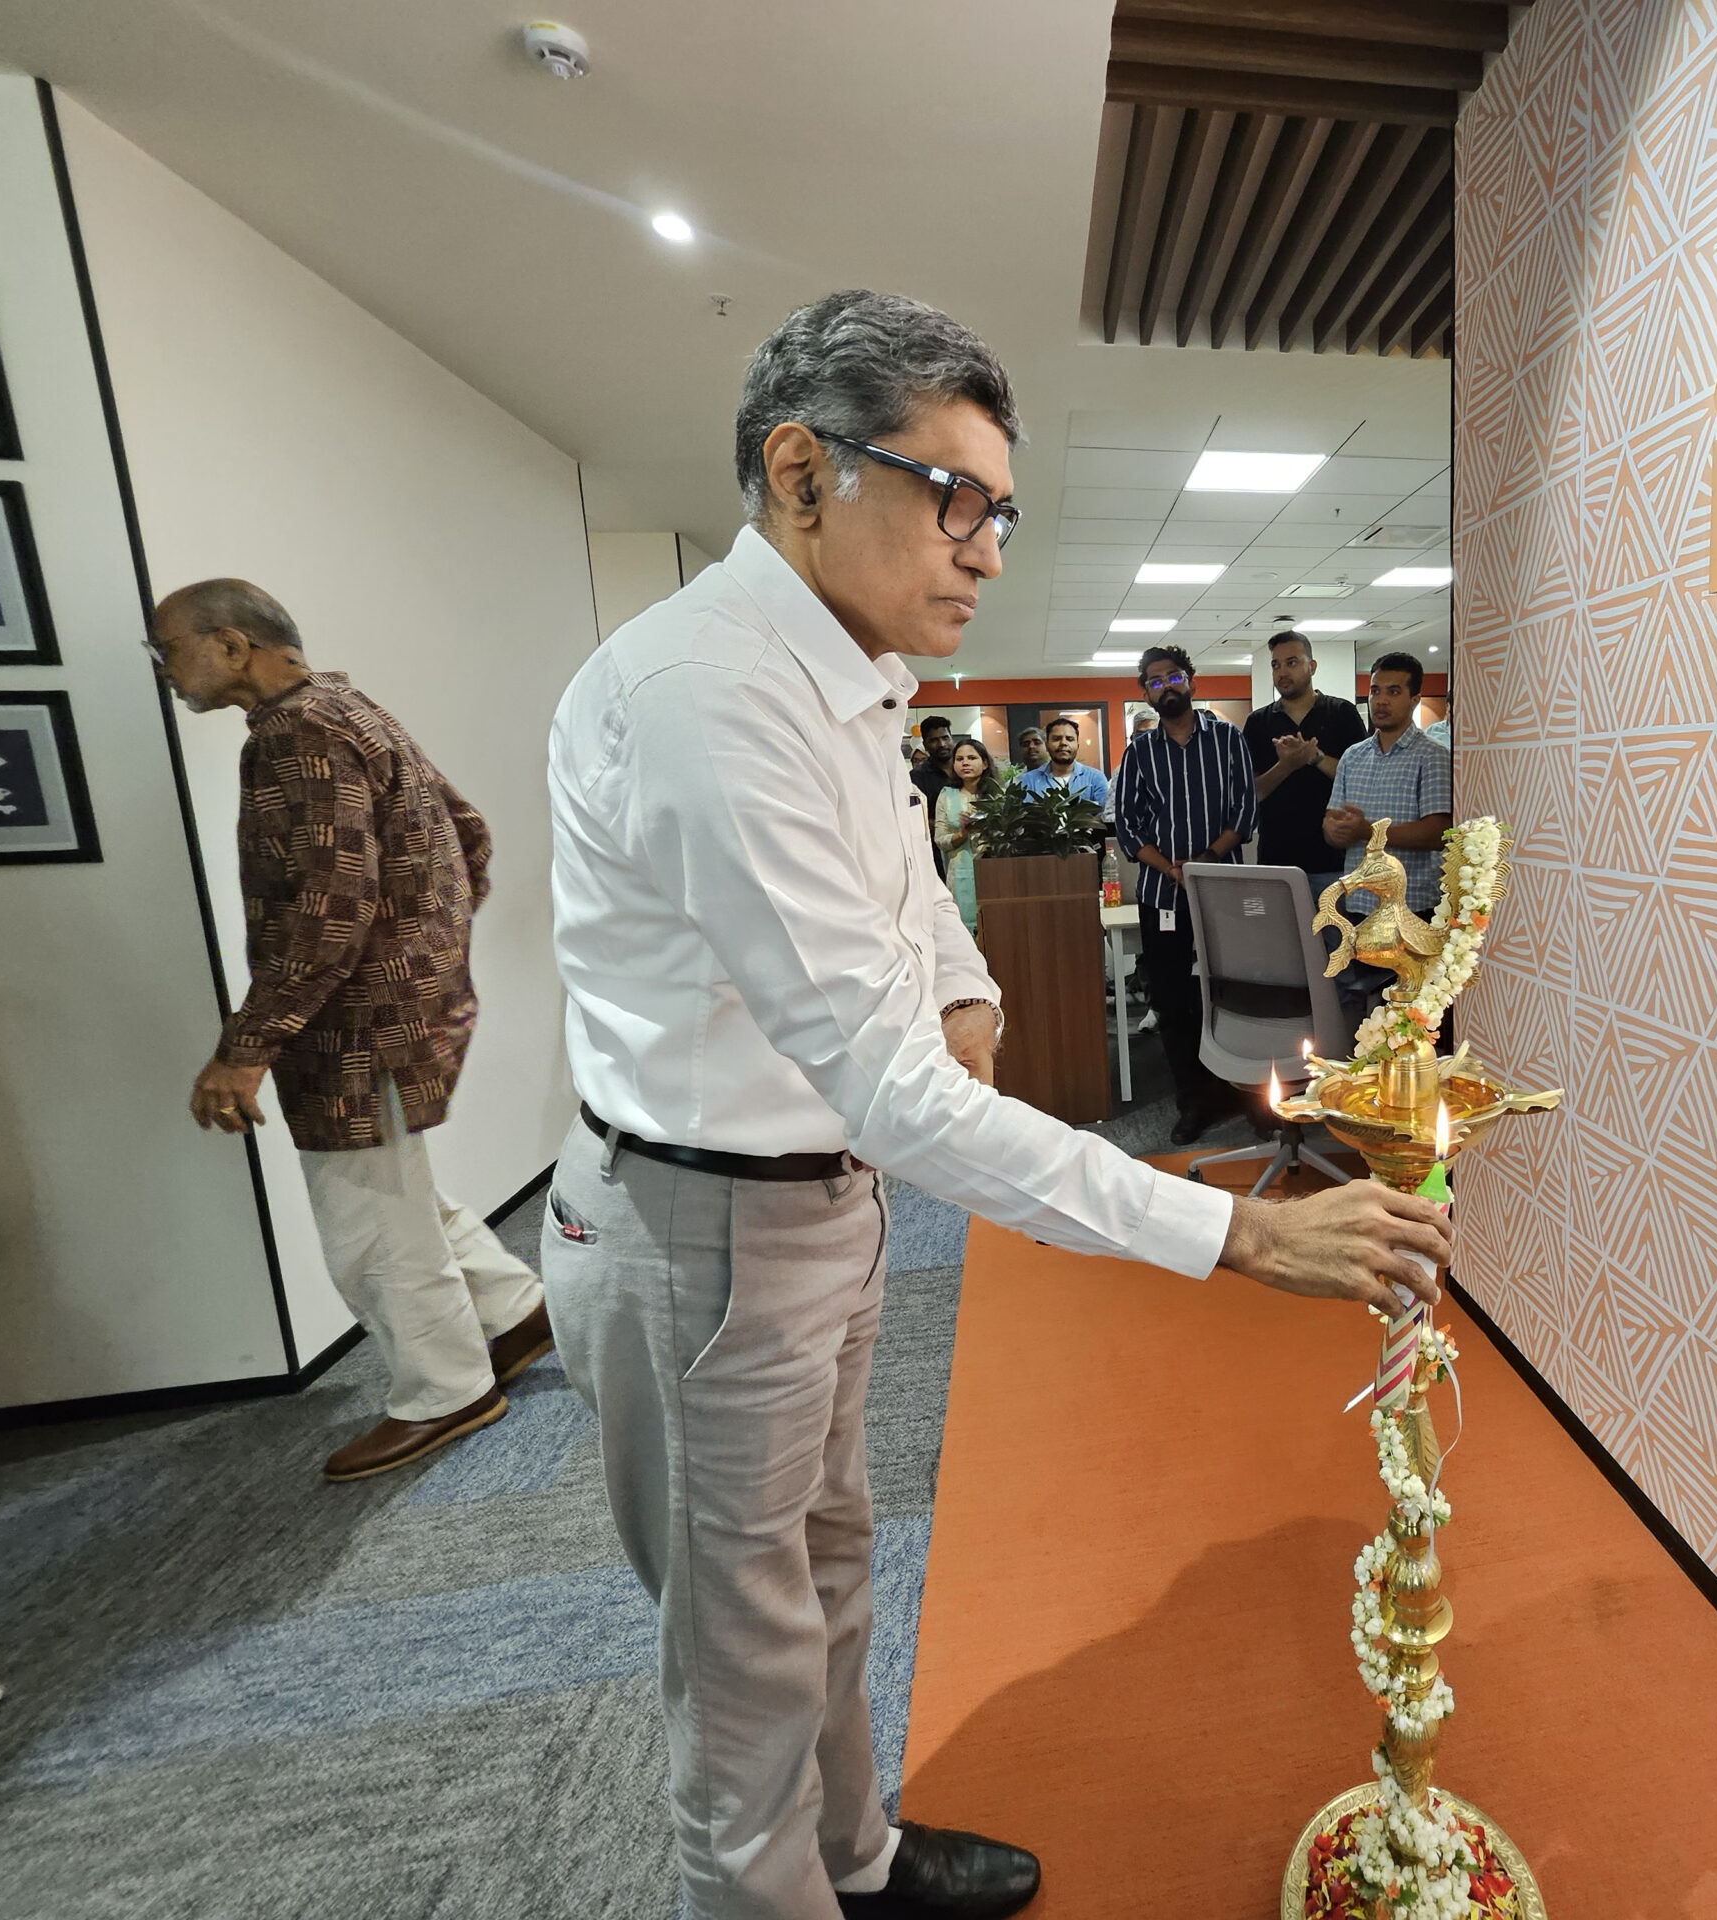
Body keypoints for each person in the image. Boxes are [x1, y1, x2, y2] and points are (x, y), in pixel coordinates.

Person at [542, 289, 1447, 1920]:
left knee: (831, 1568)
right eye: (959, 500)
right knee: (740, 1669)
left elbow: (908, 901)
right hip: (700, 1223)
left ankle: (855, 1860)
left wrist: (964, 980)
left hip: (816, 1203)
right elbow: (893, 1090)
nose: (989, 553)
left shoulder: (853, 679)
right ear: (804, 473)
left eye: (1002, 515)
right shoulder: (707, 696)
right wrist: (1238, 1237)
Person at [147, 579, 551, 1483]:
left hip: (355, 1024)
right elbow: (468, 836)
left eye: (166, 649)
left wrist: (245, 1048)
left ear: (232, 645)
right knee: (391, 1186)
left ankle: (446, 1391)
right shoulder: (351, 709)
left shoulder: (297, 733)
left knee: (366, 1218)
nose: (164, 670)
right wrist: (428, 949)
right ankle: (516, 1314)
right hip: (392, 1006)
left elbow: (329, 909)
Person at [1111, 644, 1256, 1146]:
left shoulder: (1228, 739)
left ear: (1191, 681)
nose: (1166, 686)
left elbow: (1244, 810)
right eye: (1155, 681)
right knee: (1173, 1001)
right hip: (1162, 894)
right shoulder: (1140, 752)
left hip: (1224, 890)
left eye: (1173, 676)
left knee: (1231, 993)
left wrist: (1205, 861)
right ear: (1146, 694)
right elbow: (1127, 824)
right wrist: (1171, 868)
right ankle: (1192, 1100)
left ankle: (1243, 1093)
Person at [1326, 651, 1455, 1037]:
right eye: (1375, 691)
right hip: (1359, 907)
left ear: (1415, 698)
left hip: (1411, 910)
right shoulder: (1353, 757)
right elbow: (1332, 823)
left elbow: (1436, 832)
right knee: (1359, 1016)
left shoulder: (1433, 757)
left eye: (1393, 692)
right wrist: (1334, 832)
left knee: (1406, 1019)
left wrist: (1368, 832)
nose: (1381, 701)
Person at [1241, 629, 1366, 913]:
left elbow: (1360, 781)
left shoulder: (1342, 713)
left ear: (1312, 666)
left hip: (1335, 864)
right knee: (1279, 941)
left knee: (1337, 941)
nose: (1282, 672)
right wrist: (1286, 765)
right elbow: (1253, 793)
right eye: (1276, 665)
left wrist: (1315, 757)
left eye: (1292, 662)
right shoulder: (1258, 723)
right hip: (1277, 862)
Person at [932, 735, 998, 932]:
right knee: (964, 931)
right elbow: (939, 839)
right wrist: (963, 834)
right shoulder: (946, 795)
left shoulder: (998, 795)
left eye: (972, 758)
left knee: (994, 928)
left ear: (984, 763)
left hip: (993, 872)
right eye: (959, 759)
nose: (965, 763)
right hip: (959, 874)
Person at [1013, 715, 1109, 811]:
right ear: (1047, 745)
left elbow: (1104, 814)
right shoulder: (1029, 780)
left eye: (1070, 739)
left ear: (1077, 745)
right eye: (1056, 739)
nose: (1063, 743)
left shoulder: (1095, 778)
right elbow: (1027, 815)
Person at [909, 713, 955, 876]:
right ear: (925, 745)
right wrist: (952, 829)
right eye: (934, 740)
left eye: (945, 738)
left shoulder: (965, 768)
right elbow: (916, 818)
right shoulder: (916, 777)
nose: (941, 744)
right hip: (935, 854)